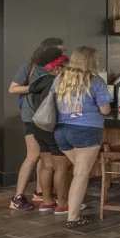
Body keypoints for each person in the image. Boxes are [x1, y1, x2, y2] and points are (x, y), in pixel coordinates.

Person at [52, 46, 112, 228]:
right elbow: (105, 110)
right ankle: (73, 218)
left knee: (78, 171)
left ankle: (74, 209)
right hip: (86, 130)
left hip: (61, 131)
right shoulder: (96, 81)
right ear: (91, 61)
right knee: (81, 174)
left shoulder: (60, 79)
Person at [8, 37, 64, 210]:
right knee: (33, 156)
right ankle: (17, 197)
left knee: (43, 155)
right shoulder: (30, 67)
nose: (63, 54)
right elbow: (12, 88)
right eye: (60, 50)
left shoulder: (56, 70)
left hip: (46, 116)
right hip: (32, 116)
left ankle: (41, 192)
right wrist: (36, 87)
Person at [26, 48, 71, 215]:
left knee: (47, 166)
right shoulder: (60, 82)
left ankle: (46, 202)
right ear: (58, 67)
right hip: (54, 128)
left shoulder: (40, 80)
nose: (70, 70)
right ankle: (63, 204)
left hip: (38, 127)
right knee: (61, 168)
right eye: (67, 66)